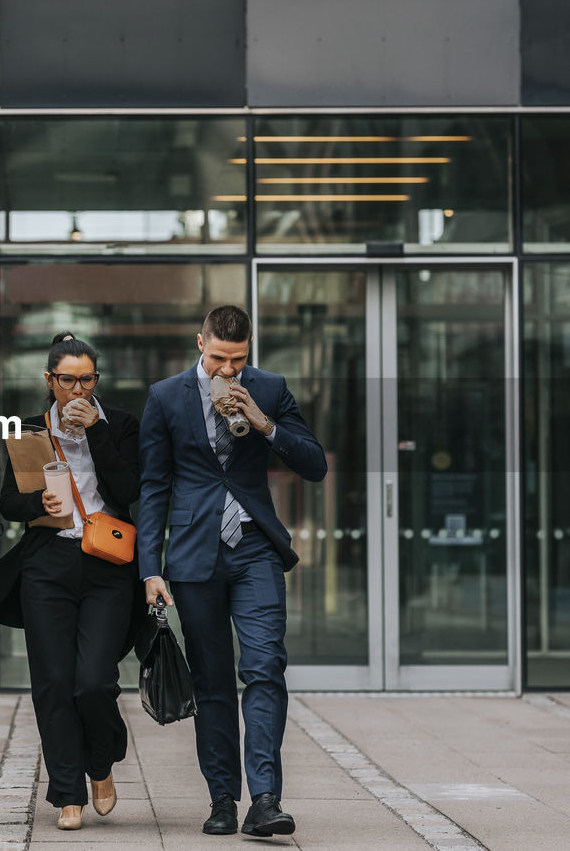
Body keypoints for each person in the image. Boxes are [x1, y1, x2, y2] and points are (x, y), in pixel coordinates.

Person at [136, 305, 326, 839]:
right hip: (194, 556)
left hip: (255, 550)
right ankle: (222, 797)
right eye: (219, 358)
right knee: (212, 682)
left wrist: (265, 425)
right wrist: (151, 567)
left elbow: (314, 465)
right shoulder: (166, 396)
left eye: (238, 360)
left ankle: (265, 799)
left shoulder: (270, 387)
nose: (228, 370)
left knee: (265, 668)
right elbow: (153, 488)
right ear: (201, 343)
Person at [0, 332, 143, 831]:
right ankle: (67, 791)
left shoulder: (122, 425)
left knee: (94, 681)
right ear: (50, 380)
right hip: (48, 565)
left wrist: (96, 434)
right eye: (68, 381)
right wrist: (39, 504)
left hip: (108, 566)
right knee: (54, 682)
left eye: (87, 380)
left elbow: (129, 489)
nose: (78, 390)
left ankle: (101, 763)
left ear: (96, 381)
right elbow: (8, 504)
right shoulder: (26, 429)